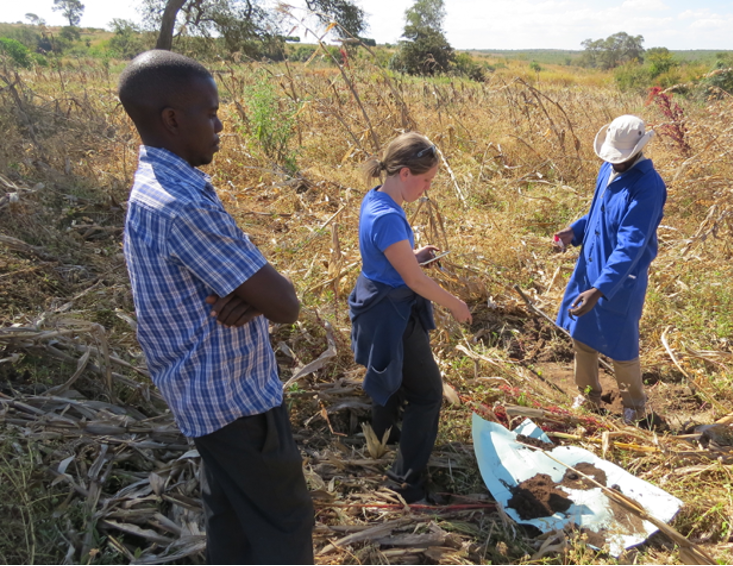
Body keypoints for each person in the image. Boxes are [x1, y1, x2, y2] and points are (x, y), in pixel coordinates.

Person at [118, 50, 313, 564]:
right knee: (283, 520)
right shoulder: (182, 204)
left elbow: (258, 294)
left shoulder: (159, 185)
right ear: (172, 119)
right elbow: (286, 303)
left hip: (199, 394)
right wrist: (259, 295)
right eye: (209, 112)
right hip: (234, 397)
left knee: (232, 520)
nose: (219, 123)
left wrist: (251, 296)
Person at [349, 132, 472, 503]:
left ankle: (383, 437)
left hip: (376, 299)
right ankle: (405, 482)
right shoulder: (388, 217)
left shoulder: (376, 199)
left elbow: (390, 260)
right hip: (392, 311)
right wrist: (454, 303)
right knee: (427, 395)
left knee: (388, 372)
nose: (428, 188)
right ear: (404, 173)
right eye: (426, 180)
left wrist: (412, 253)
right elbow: (414, 281)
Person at [554, 115, 667, 425]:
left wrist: (601, 289)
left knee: (621, 344)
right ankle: (588, 395)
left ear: (637, 152)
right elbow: (596, 213)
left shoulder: (648, 187)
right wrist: (573, 232)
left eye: (621, 158)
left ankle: (634, 406)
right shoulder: (608, 169)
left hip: (621, 279)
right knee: (582, 335)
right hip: (589, 267)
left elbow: (632, 243)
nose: (614, 162)